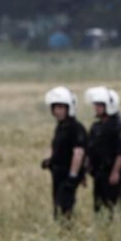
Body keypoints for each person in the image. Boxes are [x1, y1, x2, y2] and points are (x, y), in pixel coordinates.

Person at [41, 86, 87, 219]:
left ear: (69, 108)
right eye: (55, 108)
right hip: (58, 173)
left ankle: (67, 232)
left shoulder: (75, 127)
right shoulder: (61, 126)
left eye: (61, 107)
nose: (57, 111)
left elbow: (78, 153)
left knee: (65, 207)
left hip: (68, 175)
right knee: (57, 207)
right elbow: (57, 148)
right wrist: (49, 160)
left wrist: (72, 177)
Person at [85, 87, 121, 213]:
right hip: (98, 173)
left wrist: (115, 172)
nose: (96, 107)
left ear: (110, 105)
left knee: (114, 205)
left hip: (112, 172)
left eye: (100, 105)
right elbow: (90, 149)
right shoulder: (96, 127)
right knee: (99, 207)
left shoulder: (119, 127)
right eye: (96, 105)